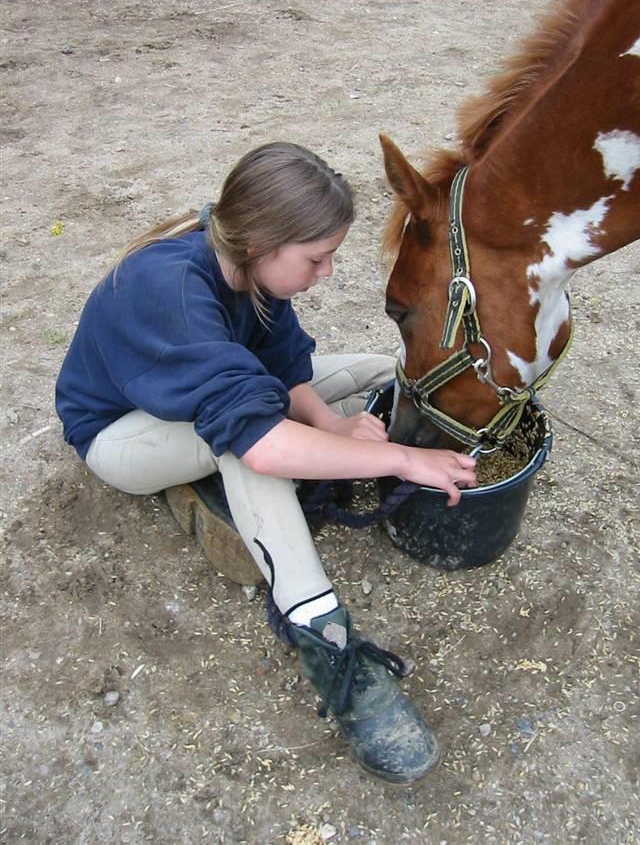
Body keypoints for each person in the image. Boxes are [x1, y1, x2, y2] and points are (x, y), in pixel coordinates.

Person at [55, 142, 476, 784]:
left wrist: (335, 426)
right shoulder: (168, 286)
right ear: (262, 244)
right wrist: (400, 458)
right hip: (121, 437)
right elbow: (264, 441)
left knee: (370, 366)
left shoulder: (250, 272)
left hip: (202, 396)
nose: (327, 272)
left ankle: (427, 413)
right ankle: (328, 645)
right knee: (252, 448)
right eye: (317, 258)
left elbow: (284, 368)